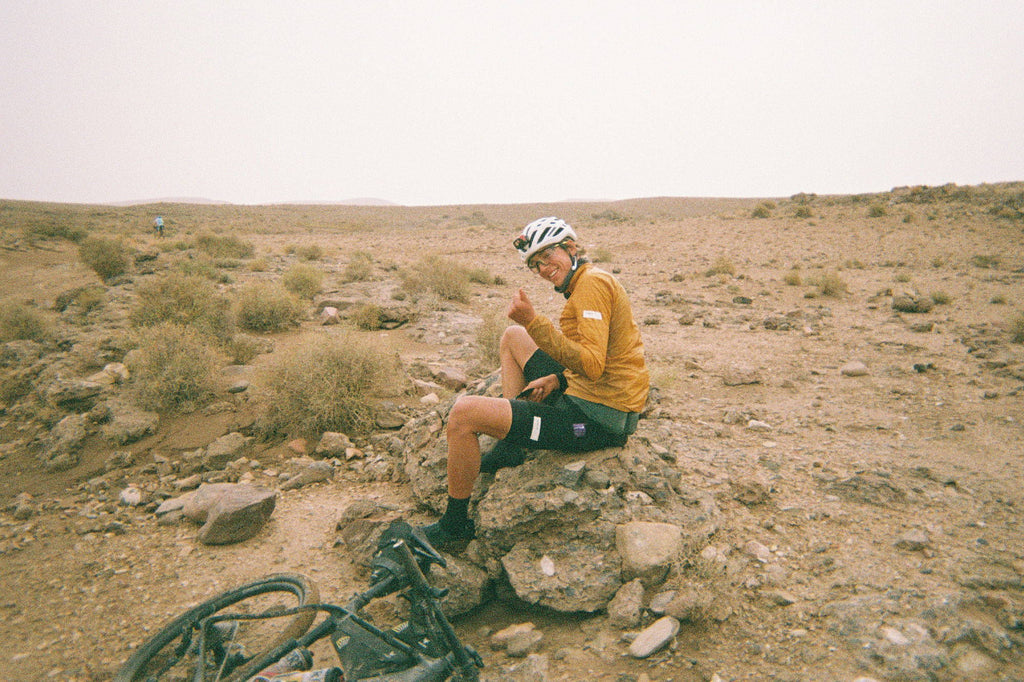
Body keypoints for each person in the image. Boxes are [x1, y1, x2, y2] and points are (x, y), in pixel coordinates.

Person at [422, 216, 650, 547]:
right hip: (595, 397)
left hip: (594, 422)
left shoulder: (592, 286)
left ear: (570, 248)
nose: (543, 269)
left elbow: (592, 365)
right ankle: (511, 446)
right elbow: (603, 358)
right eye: (535, 264)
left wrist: (534, 321)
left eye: (547, 255)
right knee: (513, 336)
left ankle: (453, 525)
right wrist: (559, 378)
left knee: (463, 415)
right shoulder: (586, 281)